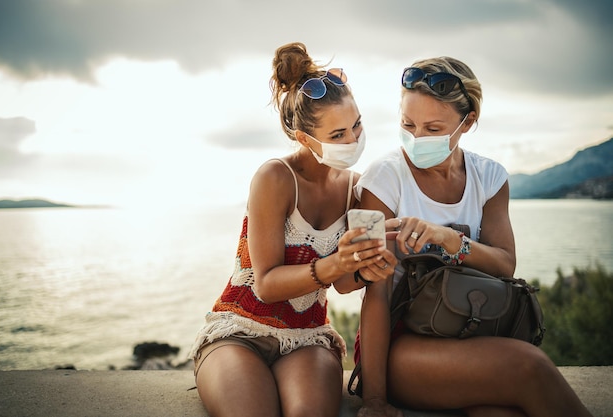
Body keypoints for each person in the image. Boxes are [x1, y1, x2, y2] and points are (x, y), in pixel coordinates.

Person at [353, 57, 593, 417]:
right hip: (401, 345)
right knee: (531, 366)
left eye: (433, 128)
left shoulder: (489, 178)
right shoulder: (384, 180)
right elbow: (376, 292)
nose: (416, 138)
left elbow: (505, 264)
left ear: (468, 122)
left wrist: (450, 241)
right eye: (407, 124)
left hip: (468, 334)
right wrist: (374, 401)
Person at [189, 42, 397, 417]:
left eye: (357, 125)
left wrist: (370, 263)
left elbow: (346, 284)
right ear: (304, 138)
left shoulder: (357, 188)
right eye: (338, 135)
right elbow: (266, 285)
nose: (353, 141)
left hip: (308, 337)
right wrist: (336, 264)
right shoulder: (275, 177)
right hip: (240, 331)